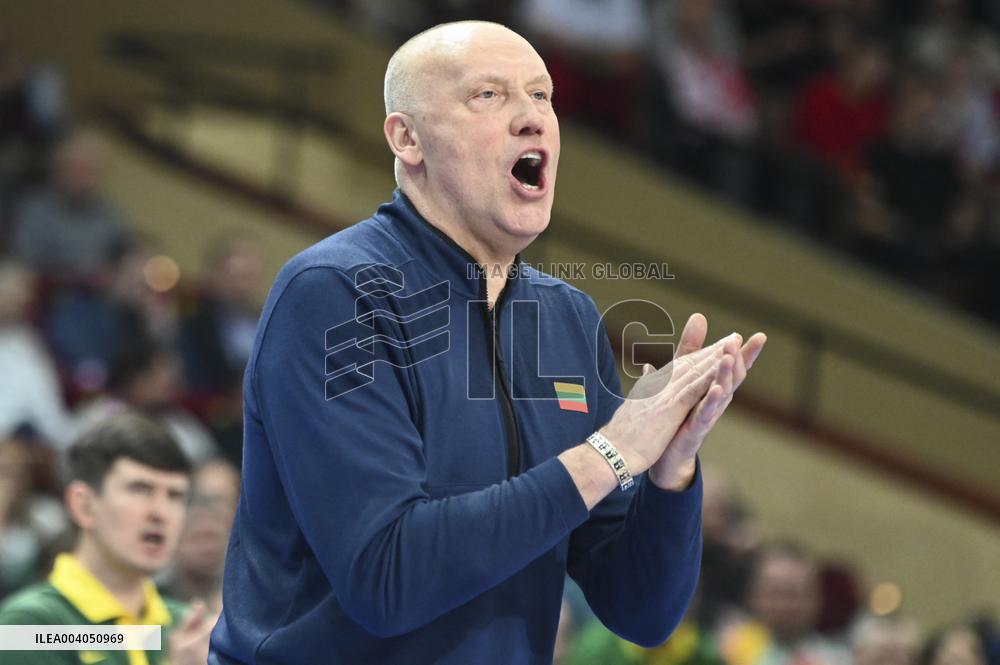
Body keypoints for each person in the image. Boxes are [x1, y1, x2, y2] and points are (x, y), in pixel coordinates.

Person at [209, 20, 766, 665]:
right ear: (407, 138)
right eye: (489, 96)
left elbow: (640, 612)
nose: (532, 118)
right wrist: (611, 452)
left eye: (543, 96)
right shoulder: (335, 294)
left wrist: (670, 470)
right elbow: (386, 579)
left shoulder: (565, 318)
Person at [0, 412, 215, 665]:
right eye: (140, 489)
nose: (161, 512)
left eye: (175, 496)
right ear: (84, 505)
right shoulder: (30, 626)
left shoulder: (184, 626)